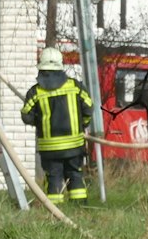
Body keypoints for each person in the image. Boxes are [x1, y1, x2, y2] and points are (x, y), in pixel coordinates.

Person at [22, 47, 94, 204]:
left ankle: (54, 212)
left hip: (50, 149)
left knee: (53, 177)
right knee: (75, 175)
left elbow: (26, 116)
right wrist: (84, 124)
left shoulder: (35, 92)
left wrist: (38, 121)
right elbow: (88, 107)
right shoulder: (75, 87)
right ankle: (80, 208)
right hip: (74, 145)